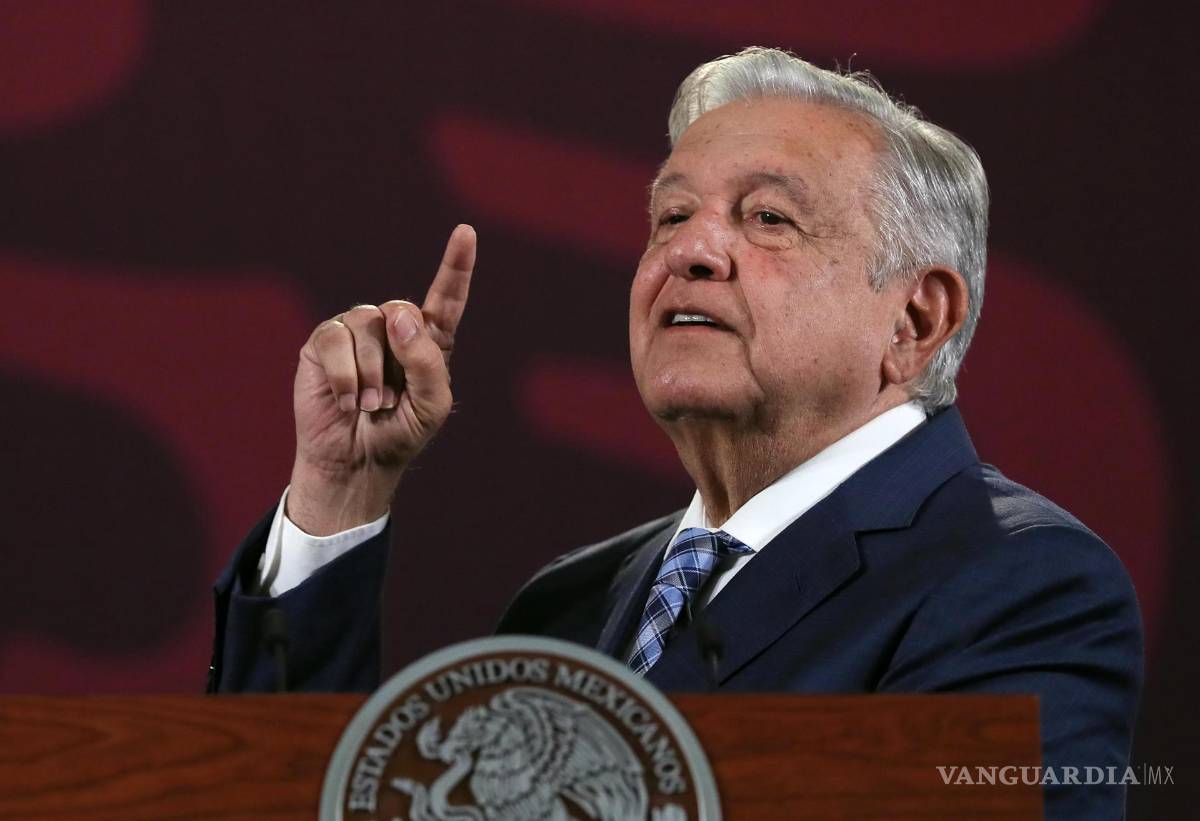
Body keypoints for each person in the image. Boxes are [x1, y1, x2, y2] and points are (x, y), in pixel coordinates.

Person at [209, 48, 1141, 818]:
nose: (689, 250)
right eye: (671, 214)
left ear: (915, 321)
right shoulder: (566, 609)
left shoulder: (1019, 585)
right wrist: (339, 493)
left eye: (768, 217)